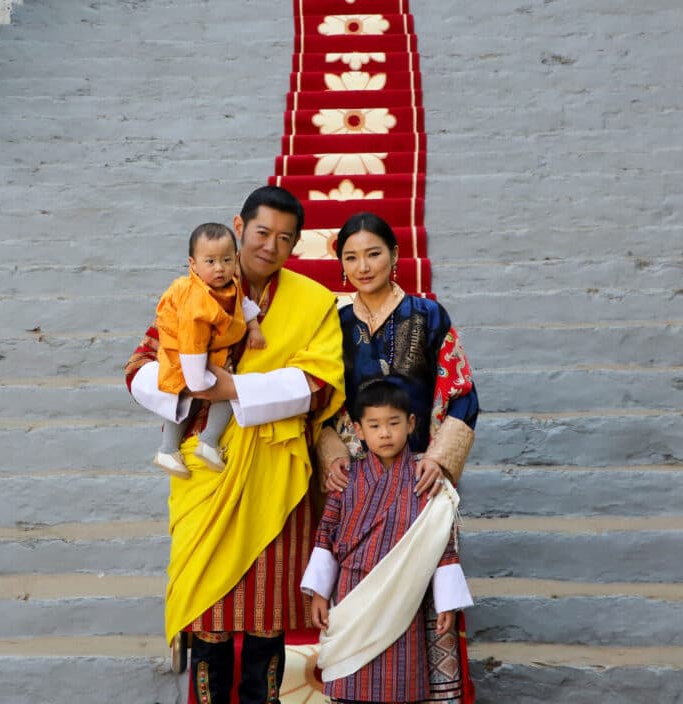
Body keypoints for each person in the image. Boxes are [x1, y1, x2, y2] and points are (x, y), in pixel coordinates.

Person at [124, 186, 346, 704]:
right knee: (209, 621)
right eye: (262, 231)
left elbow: (323, 384)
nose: (271, 246)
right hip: (208, 474)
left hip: (277, 473)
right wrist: (192, 387)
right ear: (239, 226)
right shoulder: (191, 290)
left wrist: (234, 389)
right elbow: (140, 366)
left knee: (268, 627)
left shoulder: (313, 302)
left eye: (285, 238)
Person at [316, 210, 482, 702]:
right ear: (341, 264)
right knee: (357, 580)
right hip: (358, 479)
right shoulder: (334, 324)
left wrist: (440, 460)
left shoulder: (428, 315)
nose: (363, 266)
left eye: (373, 253)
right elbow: (320, 400)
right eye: (351, 257)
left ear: (395, 256)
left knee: (429, 592)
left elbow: (462, 394)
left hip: (420, 474)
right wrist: (331, 456)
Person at [302, 379, 473, 704]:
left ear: (410, 424)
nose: (384, 433)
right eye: (375, 425)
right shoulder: (346, 478)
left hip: (403, 598)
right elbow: (325, 536)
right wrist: (319, 594)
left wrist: (446, 600)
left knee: (399, 682)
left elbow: (440, 540)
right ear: (358, 430)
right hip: (353, 592)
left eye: (393, 424)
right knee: (349, 679)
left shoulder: (425, 477)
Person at [150, 222, 266, 477]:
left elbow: (242, 305)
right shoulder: (195, 298)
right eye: (210, 261)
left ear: (236, 259)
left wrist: (254, 329)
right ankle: (170, 448)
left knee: (225, 393)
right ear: (193, 264)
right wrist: (198, 380)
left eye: (226, 260)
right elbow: (191, 341)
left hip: (210, 352)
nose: (219, 268)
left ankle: (206, 442)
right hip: (185, 354)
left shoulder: (230, 284)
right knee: (186, 397)